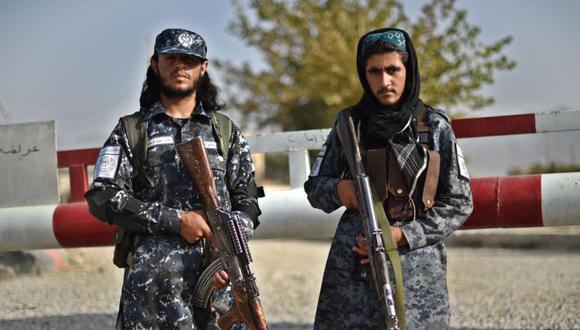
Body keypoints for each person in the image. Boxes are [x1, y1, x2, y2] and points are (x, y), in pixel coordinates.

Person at [85, 28, 261, 329]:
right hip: (153, 289)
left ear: (203, 68)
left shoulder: (224, 131)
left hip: (221, 285)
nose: (180, 66)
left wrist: (229, 242)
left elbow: (247, 198)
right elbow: (103, 197)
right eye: (171, 58)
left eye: (189, 60)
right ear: (155, 64)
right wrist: (176, 220)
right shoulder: (133, 130)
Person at [304, 27, 473, 329]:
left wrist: (403, 236)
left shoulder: (434, 126)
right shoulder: (349, 125)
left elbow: (459, 202)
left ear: (408, 68)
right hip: (353, 268)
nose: (384, 81)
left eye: (393, 69)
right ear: (363, 74)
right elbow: (315, 188)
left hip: (417, 271)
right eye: (374, 71)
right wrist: (341, 190)